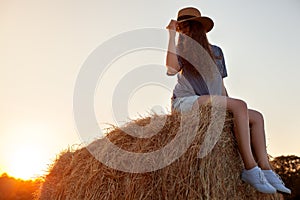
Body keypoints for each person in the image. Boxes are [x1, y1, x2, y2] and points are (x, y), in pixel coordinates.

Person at [165, 7, 291, 194]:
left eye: (189, 26)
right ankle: (250, 168)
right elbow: (171, 69)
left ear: (200, 28)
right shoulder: (181, 50)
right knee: (239, 105)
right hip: (185, 102)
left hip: (209, 101)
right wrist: (171, 34)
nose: (186, 31)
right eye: (182, 28)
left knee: (256, 117)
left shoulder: (216, 52)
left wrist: (232, 109)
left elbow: (220, 85)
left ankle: (266, 169)